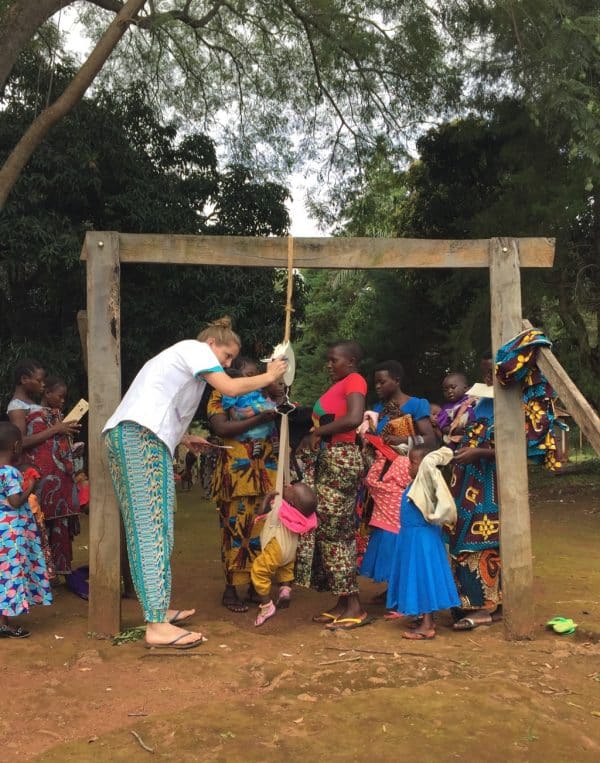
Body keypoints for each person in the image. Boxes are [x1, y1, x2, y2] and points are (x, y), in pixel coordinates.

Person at [103, 317, 287, 649]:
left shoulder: (183, 361)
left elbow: (160, 405)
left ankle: (157, 611)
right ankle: (156, 626)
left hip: (139, 437)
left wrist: (185, 437)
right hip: (140, 439)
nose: (228, 365)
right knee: (152, 530)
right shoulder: (195, 349)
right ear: (212, 344)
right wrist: (271, 375)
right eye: (227, 356)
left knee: (154, 529)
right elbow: (231, 388)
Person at [295, 340, 368, 630]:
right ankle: (342, 600)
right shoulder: (339, 384)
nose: (329, 364)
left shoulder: (355, 380)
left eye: (333, 359)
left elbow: (353, 419)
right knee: (325, 529)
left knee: (337, 533)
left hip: (341, 460)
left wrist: (319, 431)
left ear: (350, 361)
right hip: (330, 458)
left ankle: (355, 606)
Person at [207, 356, 280, 614]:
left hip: (266, 474)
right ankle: (230, 590)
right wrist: (259, 419)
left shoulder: (264, 395)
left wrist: (276, 393)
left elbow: (286, 411)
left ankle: (255, 585)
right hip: (235, 477)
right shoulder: (220, 394)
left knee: (262, 532)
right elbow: (221, 428)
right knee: (234, 531)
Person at [447, 356, 502, 631]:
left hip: (488, 487)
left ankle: (486, 608)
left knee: (481, 542)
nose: (488, 377)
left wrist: (478, 452)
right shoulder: (480, 401)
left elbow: (515, 449)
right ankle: (465, 602)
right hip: (466, 483)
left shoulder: (512, 405)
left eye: (491, 372)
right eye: (484, 372)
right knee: (457, 538)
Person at [386, 445, 460, 640]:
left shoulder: (426, 477)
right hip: (412, 539)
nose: (409, 466)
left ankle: (427, 626)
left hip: (422, 540)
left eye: (413, 462)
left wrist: (427, 459)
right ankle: (425, 618)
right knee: (419, 577)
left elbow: (437, 456)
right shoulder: (416, 483)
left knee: (424, 578)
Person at [0, 423, 53, 639]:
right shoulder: (10, 473)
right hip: (11, 534)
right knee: (11, 574)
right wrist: (29, 485)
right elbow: (15, 501)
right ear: (16, 446)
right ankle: (3, 624)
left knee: (3, 575)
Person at [24, 377, 82, 576]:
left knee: (61, 524)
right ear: (47, 393)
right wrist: (57, 429)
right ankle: (44, 573)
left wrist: (71, 449)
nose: (63, 400)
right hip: (45, 478)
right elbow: (32, 445)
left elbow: (56, 445)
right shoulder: (33, 415)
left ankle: (60, 570)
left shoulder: (57, 416)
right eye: (60, 396)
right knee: (43, 522)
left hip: (62, 479)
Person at [251, 482, 317, 626]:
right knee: (285, 567)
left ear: (291, 502)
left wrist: (268, 498)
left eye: (291, 489)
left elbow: (261, 512)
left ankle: (266, 605)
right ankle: (285, 590)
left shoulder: (280, 508)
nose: (287, 486)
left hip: (276, 547)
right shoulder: (298, 516)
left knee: (259, 571)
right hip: (289, 550)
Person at [358, 439, 411, 609]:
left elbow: (369, 480)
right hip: (404, 536)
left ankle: (396, 601)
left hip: (387, 535)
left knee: (390, 569)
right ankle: (393, 596)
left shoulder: (384, 488)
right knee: (400, 570)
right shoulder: (409, 491)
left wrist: (381, 460)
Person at [7, 359, 80, 452]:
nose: (43, 384)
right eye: (39, 381)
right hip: (35, 465)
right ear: (24, 379)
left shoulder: (30, 404)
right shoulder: (16, 406)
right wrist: (55, 429)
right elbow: (21, 441)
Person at [372, 360, 437, 450]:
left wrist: (405, 440)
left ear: (397, 381)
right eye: (375, 383)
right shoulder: (377, 409)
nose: (377, 386)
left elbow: (430, 440)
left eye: (382, 382)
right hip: (378, 461)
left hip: (407, 461)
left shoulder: (417, 404)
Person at [437, 372, 475, 446]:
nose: (449, 391)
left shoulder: (472, 399)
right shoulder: (446, 409)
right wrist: (455, 430)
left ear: (465, 388)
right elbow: (443, 427)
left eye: (453, 387)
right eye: (445, 390)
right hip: (455, 440)